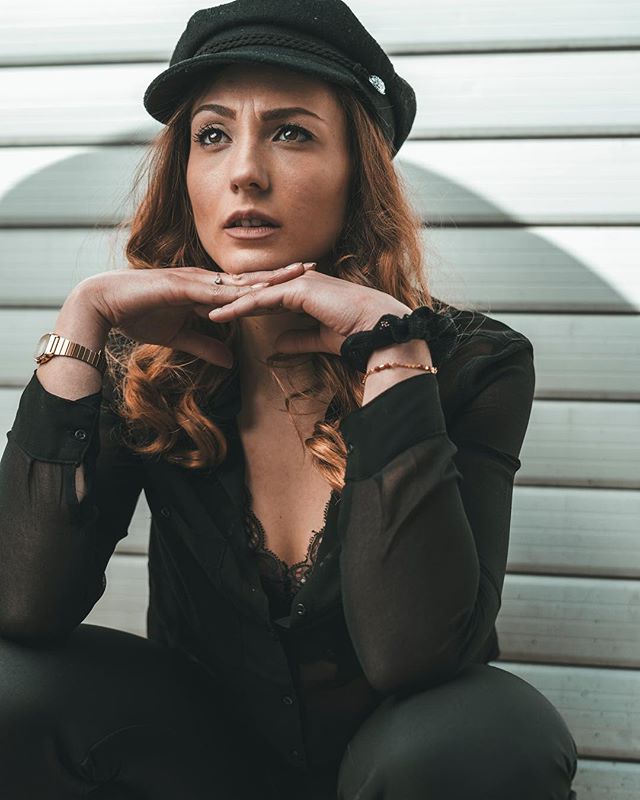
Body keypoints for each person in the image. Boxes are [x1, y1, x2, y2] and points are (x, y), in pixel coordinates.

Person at [0, 1, 579, 798]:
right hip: (200, 759)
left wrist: (392, 350)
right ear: (186, 174)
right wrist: (84, 320)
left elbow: (416, 653)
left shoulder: (474, 361)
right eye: (212, 135)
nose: (244, 170)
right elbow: (21, 604)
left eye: (291, 132)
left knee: (482, 736)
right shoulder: (145, 356)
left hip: (388, 764)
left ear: (358, 174)